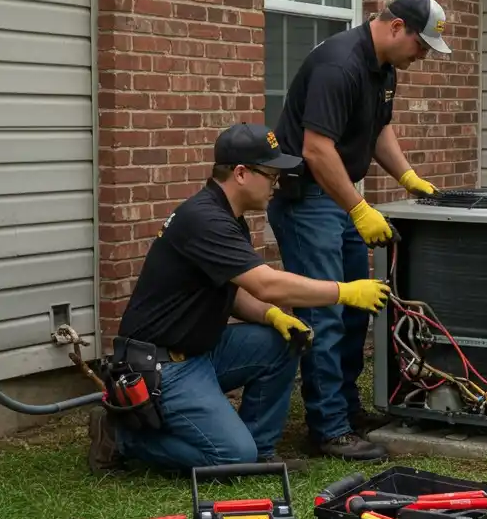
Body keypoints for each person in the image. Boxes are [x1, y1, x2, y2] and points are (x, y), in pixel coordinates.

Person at [86, 122, 392, 476]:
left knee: (283, 340)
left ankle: (258, 451)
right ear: (242, 173)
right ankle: (120, 436)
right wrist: (346, 291)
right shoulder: (206, 220)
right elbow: (266, 284)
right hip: (162, 366)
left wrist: (271, 317)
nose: (277, 186)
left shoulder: (229, 218)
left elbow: (234, 295)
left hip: (199, 351)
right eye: (271, 175)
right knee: (229, 457)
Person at [267, 0, 450, 461]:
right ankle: (327, 428)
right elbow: (316, 149)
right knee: (324, 311)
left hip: (340, 197)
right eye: (421, 46)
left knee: (356, 307)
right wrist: (359, 210)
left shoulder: (383, 68)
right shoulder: (339, 64)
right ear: (396, 28)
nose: (423, 56)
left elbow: (377, 128)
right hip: (309, 199)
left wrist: (407, 177)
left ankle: (345, 412)